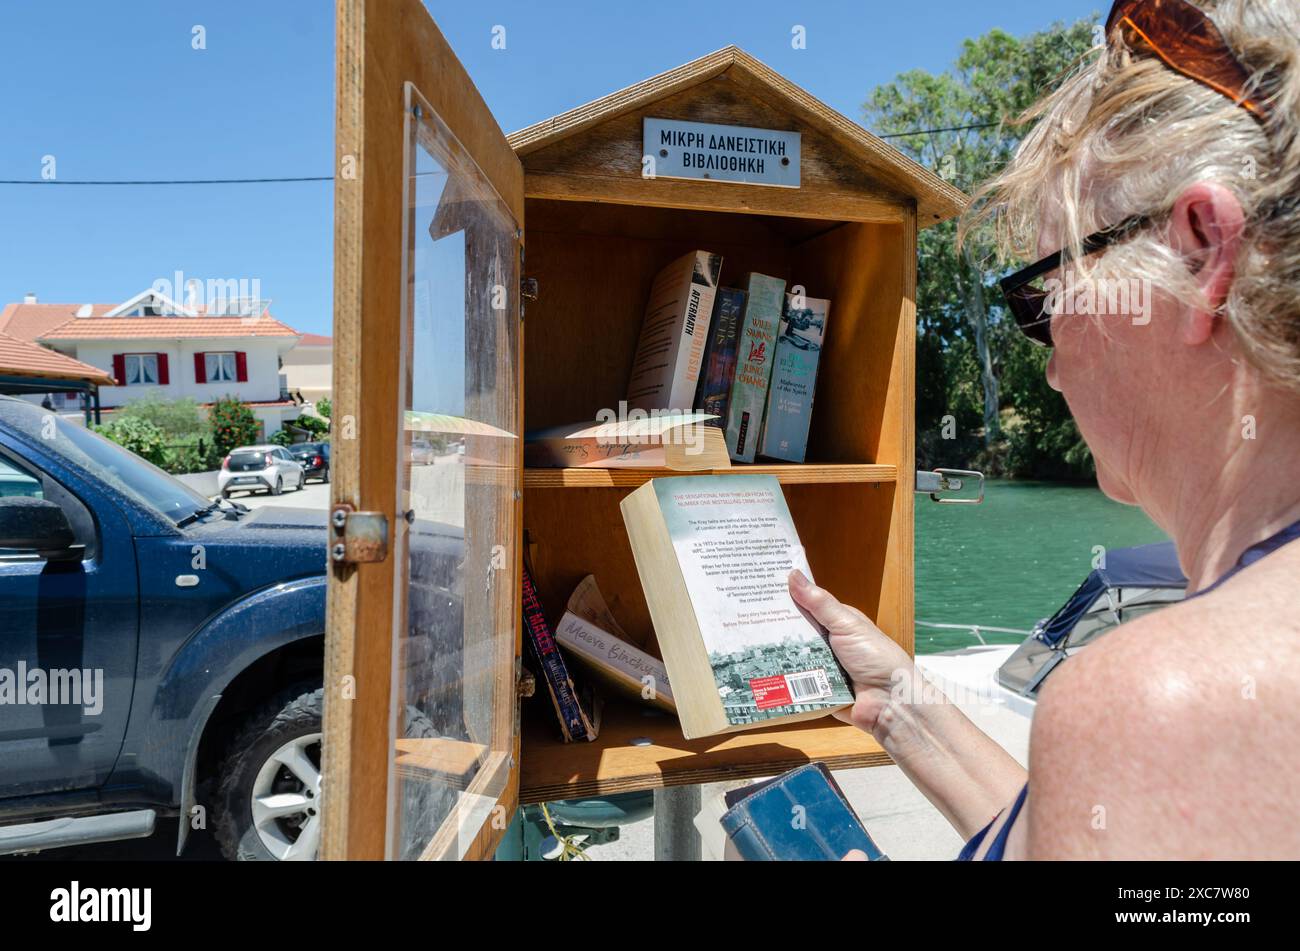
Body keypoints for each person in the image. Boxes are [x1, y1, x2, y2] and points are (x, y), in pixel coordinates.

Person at [797, 0, 1300, 859]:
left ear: (1200, 249)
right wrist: (901, 699)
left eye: (1042, 294)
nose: (1051, 362)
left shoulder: (1157, 704)